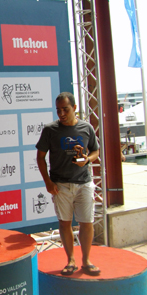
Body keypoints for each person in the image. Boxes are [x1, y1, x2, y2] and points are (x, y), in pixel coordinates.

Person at [36, 92, 101, 276]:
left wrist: (87, 160)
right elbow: (40, 157)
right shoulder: (50, 130)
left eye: (65, 109)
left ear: (74, 108)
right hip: (61, 185)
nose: (61, 113)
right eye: (58, 110)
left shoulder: (86, 128)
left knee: (86, 222)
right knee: (65, 223)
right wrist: (48, 182)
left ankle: (86, 260)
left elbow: (95, 151)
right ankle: (70, 260)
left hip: (84, 183)